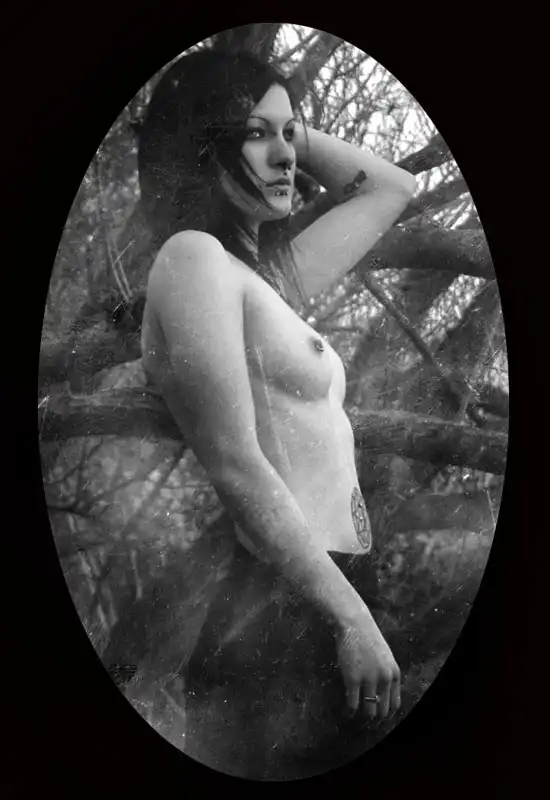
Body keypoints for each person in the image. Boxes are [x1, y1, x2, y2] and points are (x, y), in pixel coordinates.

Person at [138, 47, 416, 779]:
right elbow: (235, 463)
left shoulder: (262, 282)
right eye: (256, 135)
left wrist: (277, 121)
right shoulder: (192, 260)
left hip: (324, 596)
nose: (286, 154)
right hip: (283, 609)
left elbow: (393, 187)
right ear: (201, 142)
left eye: (290, 135)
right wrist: (349, 616)